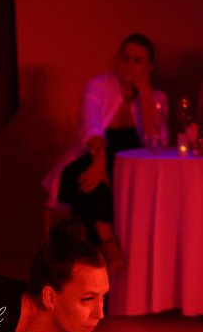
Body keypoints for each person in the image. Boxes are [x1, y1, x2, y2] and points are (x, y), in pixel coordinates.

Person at [43, 34, 168, 273]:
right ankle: (108, 247)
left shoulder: (157, 98)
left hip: (130, 171)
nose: (129, 65)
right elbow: (89, 125)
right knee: (88, 177)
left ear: (149, 67)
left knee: (100, 184)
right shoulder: (98, 85)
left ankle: (95, 259)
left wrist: (145, 94)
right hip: (90, 158)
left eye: (138, 61)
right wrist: (99, 159)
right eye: (125, 58)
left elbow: (157, 142)